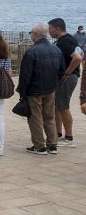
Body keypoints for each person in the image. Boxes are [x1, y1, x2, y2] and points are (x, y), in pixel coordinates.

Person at [17, 24, 65, 155]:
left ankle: (39, 146)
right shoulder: (56, 50)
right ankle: (52, 145)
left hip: (34, 91)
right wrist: (55, 84)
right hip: (50, 89)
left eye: (30, 33)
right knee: (49, 117)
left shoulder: (31, 52)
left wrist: (22, 92)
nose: (30, 35)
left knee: (35, 118)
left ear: (36, 34)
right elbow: (62, 71)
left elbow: (25, 75)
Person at [48, 18, 83, 147]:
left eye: (50, 29)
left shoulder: (66, 41)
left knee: (63, 106)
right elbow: (81, 52)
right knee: (57, 106)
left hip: (68, 78)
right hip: (64, 78)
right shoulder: (66, 39)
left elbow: (78, 57)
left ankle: (69, 138)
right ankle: (57, 134)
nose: (49, 31)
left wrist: (68, 72)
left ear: (57, 28)